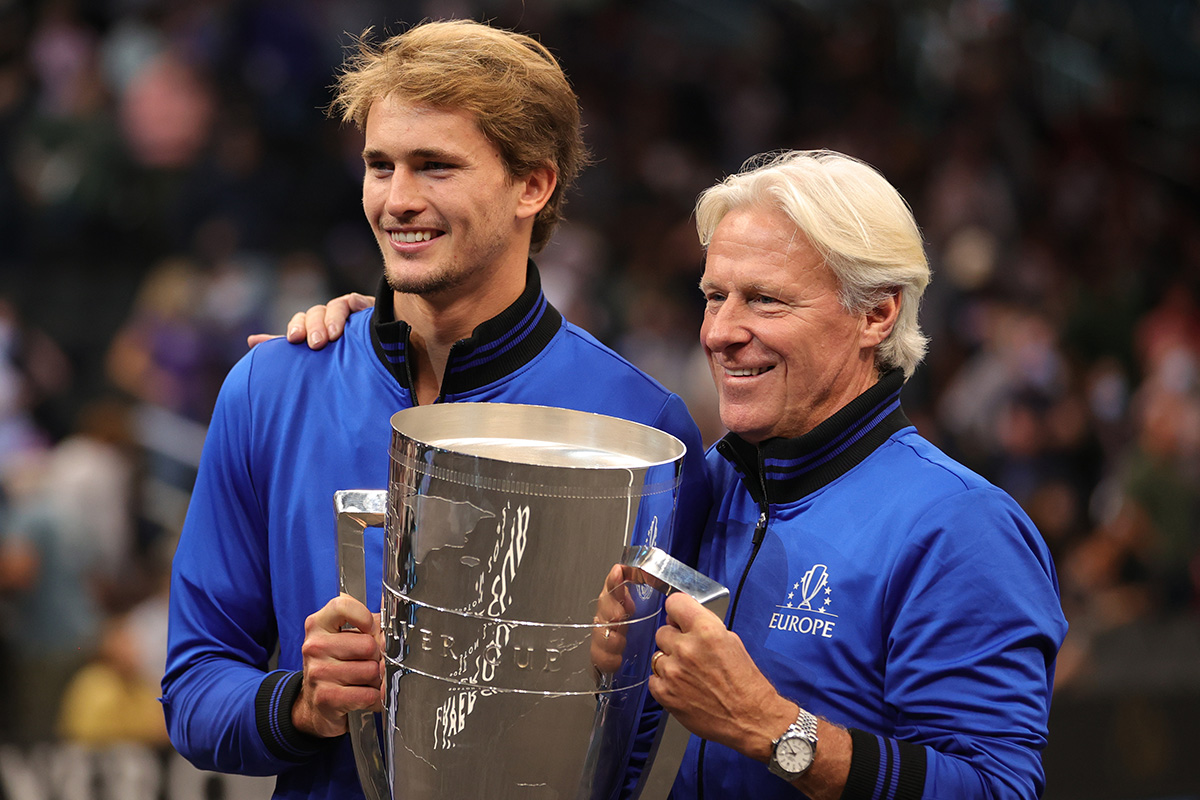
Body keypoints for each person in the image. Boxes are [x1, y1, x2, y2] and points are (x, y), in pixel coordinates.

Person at [298, 149, 1067, 799]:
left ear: (877, 315)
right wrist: (372, 339)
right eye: (713, 296)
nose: (723, 333)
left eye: (765, 300)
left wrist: (774, 729)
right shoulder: (701, 488)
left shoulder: (961, 527)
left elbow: (998, 787)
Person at [161, 20, 710, 800]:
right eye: (379, 166)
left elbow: (659, 741)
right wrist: (299, 703)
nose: (398, 200)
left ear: (534, 185)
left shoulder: (640, 426)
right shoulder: (271, 389)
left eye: (436, 167)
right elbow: (192, 690)